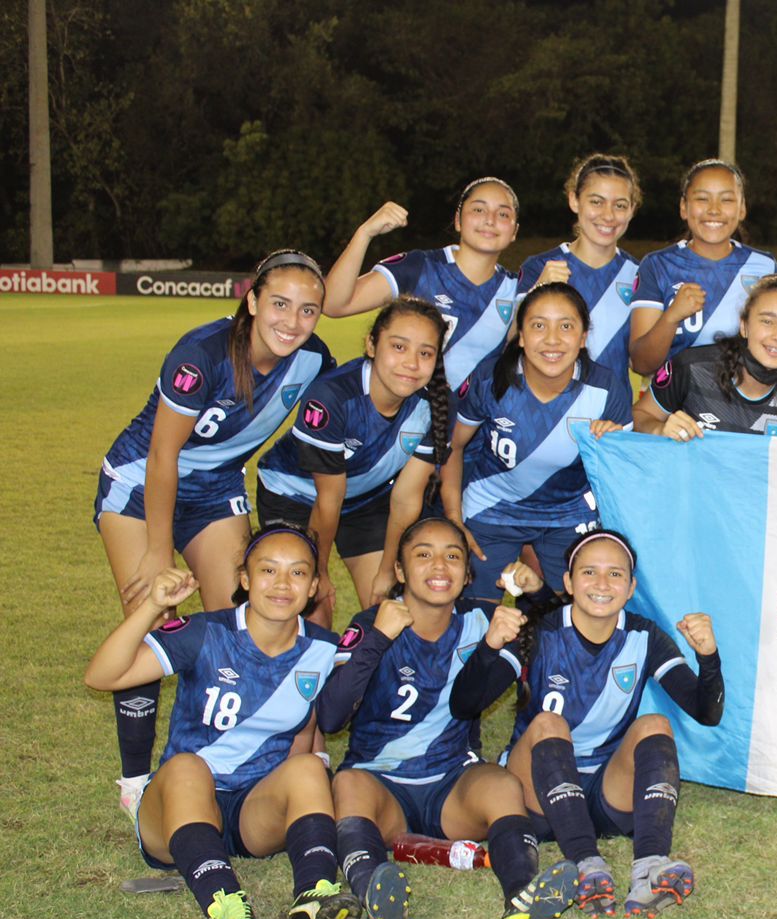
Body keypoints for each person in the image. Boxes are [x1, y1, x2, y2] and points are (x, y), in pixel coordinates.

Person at [96, 250, 333, 816]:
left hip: (215, 486)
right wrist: (157, 551)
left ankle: (281, 759)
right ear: (251, 301)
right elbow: (162, 454)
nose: (291, 321)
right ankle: (136, 783)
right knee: (151, 616)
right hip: (140, 482)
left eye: (308, 310)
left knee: (249, 612)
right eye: (279, 304)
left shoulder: (313, 361)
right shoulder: (202, 355)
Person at [83, 525, 359, 919]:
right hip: (178, 810)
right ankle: (228, 909)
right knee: (189, 767)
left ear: (313, 587)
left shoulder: (324, 651)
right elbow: (102, 676)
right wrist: (152, 605)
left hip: (252, 813)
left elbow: (324, 722)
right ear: (245, 578)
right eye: (268, 570)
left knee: (309, 769)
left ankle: (313, 898)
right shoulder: (205, 633)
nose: (282, 584)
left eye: (298, 573)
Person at [320, 517, 579, 919]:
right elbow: (330, 717)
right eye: (423, 555)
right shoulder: (370, 622)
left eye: (453, 556)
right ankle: (375, 893)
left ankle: (522, 894)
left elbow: (472, 699)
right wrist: (378, 639)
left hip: (453, 786)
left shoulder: (486, 621)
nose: (439, 566)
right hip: (381, 787)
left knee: (500, 784)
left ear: (467, 574)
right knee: (347, 783)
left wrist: (533, 596)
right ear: (400, 571)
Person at [499, 530, 724, 918]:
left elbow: (706, 711)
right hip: (536, 797)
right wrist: (492, 648)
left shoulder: (644, 636)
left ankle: (650, 867)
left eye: (616, 574)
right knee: (549, 724)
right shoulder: (539, 630)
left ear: (632, 586)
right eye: (589, 572)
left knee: (655, 723)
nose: (602, 584)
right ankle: (587, 865)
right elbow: (466, 702)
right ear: (569, 582)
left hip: (605, 796)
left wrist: (709, 658)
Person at [256, 296, 451, 627]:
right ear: (372, 345)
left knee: (392, 610)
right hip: (294, 494)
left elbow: (406, 498)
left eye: (425, 353)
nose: (412, 363)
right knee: (308, 612)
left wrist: (388, 570)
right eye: (399, 347)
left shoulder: (436, 404)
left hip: (365, 499)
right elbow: (328, 499)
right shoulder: (332, 397)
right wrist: (318, 571)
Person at [441, 281, 633, 609]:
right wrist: (454, 520)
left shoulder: (606, 389)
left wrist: (613, 446)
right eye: (539, 325)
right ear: (522, 334)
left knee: (565, 622)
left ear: (584, 336)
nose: (553, 339)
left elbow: (625, 476)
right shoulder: (491, 380)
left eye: (567, 326)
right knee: (473, 617)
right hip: (492, 507)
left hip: (569, 513)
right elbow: (453, 447)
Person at [321, 178, 522, 388]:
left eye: (503, 214)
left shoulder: (516, 290)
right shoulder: (419, 267)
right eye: (479, 210)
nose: (490, 220)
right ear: (458, 220)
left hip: (465, 420)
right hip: (402, 415)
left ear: (514, 231)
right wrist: (364, 233)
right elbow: (334, 304)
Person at [635, 274, 777, 447]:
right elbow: (640, 415)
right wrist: (659, 429)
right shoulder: (691, 367)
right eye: (767, 321)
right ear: (744, 326)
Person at [628, 159, 777, 376]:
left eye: (726, 199)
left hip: (741, 406)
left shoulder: (764, 266)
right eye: (702, 198)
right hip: (674, 406)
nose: (714, 210)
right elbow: (642, 364)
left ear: (742, 208)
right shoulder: (657, 266)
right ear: (683, 207)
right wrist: (671, 317)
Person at [517, 154, 643, 385]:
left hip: (612, 415)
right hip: (548, 413)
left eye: (620, 205)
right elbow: (511, 343)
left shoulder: (641, 276)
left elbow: (643, 362)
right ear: (574, 200)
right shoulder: (539, 267)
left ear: (632, 209)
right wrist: (537, 291)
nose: (608, 215)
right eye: (596, 201)